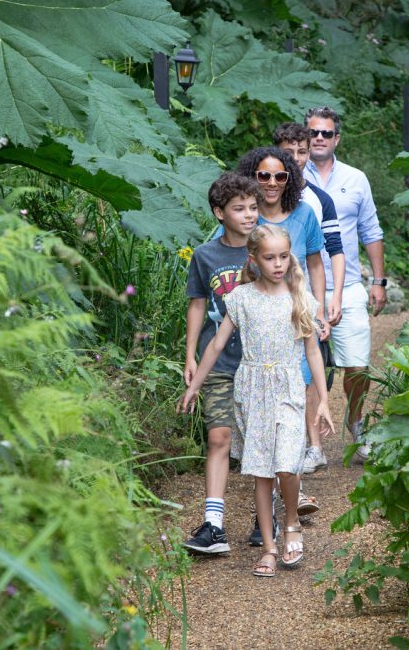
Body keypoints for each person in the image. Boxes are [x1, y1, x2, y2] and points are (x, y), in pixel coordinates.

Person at [178, 224, 335, 576]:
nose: (278, 264)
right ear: (254, 259)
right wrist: (194, 387)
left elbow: (313, 350)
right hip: (251, 390)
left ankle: (291, 520)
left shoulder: (300, 298)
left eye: (283, 256)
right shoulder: (242, 299)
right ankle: (268, 547)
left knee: (286, 464)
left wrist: (323, 400)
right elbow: (217, 345)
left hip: (289, 388)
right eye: (270, 258)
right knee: (262, 472)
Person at [219, 147, 329, 532]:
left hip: (293, 318)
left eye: (279, 176)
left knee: (290, 409)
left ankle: (290, 498)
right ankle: (265, 517)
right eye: (263, 176)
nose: (271, 183)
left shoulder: (304, 215)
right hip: (254, 327)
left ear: (289, 179)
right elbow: (223, 261)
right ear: (253, 177)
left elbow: (315, 261)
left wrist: (319, 308)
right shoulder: (240, 216)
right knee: (261, 427)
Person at [180, 172, 260, 554]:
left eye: (253, 207)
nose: (249, 215)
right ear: (219, 213)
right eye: (239, 209)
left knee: (263, 441)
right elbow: (197, 304)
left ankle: (267, 519)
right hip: (219, 360)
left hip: (261, 362)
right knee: (218, 438)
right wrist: (190, 355)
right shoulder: (205, 256)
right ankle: (213, 525)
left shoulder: (267, 249)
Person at [302, 106, 387, 462]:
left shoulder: (355, 179)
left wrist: (378, 280)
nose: (319, 138)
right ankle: (312, 445)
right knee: (305, 368)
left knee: (356, 365)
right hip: (300, 285)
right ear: (305, 136)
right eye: (313, 133)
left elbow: (371, 230)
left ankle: (356, 421)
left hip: (347, 283)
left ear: (337, 138)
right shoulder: (286, 176)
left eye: (326, 133)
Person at [273, 124, 346, 472]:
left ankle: (313, 445)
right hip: (265, 300)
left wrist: (321, 304)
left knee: (308, 367)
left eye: (302, 152)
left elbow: (323, 255)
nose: (296, 158)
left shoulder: (316, 200)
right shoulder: (259, 195)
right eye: (289, 152)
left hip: (300, 301)